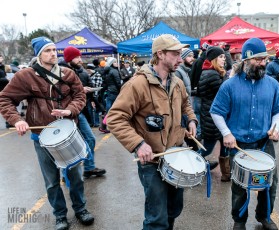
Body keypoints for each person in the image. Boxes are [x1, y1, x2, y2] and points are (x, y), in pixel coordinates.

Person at [0, 37, 94, 230]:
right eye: (47, 50)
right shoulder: (26, 76)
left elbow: (80, 95)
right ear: (39, 55)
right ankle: (60, 215)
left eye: (54, 49)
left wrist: (71, 110)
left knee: (75, 175)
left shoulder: (68, 73)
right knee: (52, 181)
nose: (53, 53)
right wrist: (17, 120)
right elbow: (6, 99)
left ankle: (81, 209)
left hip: (68, 133)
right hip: (42, 136)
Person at [106, 34, 197, 230]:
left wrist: (191, 119)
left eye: (181, 54)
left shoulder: (177, 82)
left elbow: (186, 104)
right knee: (156, 218)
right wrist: (138, 144)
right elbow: (114, 118)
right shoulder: (136, 84)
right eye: (175, 54)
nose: (180, 59)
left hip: (176, 155)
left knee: (173, 209)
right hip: (152, 160)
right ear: (160, 54)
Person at [210, 37, 279, 230]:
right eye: (259, 59)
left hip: (264, 142)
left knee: (270, 184)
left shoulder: (272, 84)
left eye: (265, 59)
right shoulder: (229, 85)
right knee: (239, 186)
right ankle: (239, 219)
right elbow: (216, 111)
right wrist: (226, 133)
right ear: (246, 59)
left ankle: (264, 216)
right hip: (239, 144)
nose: (264, 63)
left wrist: (276, 126)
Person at [60, 46, 106, 179]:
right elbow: (59, 93)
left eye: (80, 57)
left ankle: (89, 167)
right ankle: (66, 173)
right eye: (77, 57)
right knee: (68, 144)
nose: (80, 60)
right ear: (69, 59)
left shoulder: (80, 71)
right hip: (67, 113)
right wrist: (80, 90)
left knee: (90, 138)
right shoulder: (61, 72)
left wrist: (89, 97)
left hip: (80, 111)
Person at [198, 46, 229, 179]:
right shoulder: (212, 74)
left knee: (224, 143)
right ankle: (193, 163)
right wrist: (230, 77)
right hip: (213, 117)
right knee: (208, 148)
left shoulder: (210, 72)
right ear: (214, 59)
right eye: (221, 57)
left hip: (213, 114)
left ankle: (226, 173)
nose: (224, 59)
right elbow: (224, 92)